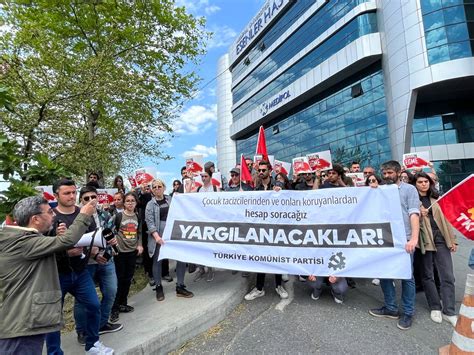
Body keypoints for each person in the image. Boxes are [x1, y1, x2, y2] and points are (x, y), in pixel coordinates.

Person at [0, 196, 102, 354]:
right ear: (35, 219)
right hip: (21, 325)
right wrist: (84, 214)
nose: (54, 215)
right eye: (49, 212)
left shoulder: (25, 239)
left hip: (25, 322)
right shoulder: (24, 242)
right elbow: (67, 240)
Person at [45, 179, 111, 354]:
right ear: (56, 195)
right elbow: (42, 247)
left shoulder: (84, 213)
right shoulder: (50, 217)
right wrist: (65, 250)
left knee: (94, 305)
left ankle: (93, 344)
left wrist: (95, 252)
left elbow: (93, 237)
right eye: (67, 193)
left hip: (80, 271)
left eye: (74, 192)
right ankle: (54, 352)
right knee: (53, 316)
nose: (72, 196)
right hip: (57, 274)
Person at [369, 160, 420, 330]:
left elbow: (414, 214)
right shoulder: (380, 190)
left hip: (404, 239)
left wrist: (413, 239)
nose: (386, 176)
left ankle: (408, 312)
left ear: (399, 172)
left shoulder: (409, 189)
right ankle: (391, 308)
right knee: (384, 274)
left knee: (407, 277)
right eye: (384, 173)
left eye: (390, 173)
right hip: (384, 238)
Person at [74, 186, 123, 346]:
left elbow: (111, 236)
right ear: (81, 200)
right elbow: (74, 240)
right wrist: (94, 254)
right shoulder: (76, 217)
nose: (90, 201)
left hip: (106, 261)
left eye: (93, 197)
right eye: (86, 198)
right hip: (86, 263)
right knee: (82, 299)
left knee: (111, 291)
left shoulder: (105, 214)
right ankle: (82, 330)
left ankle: (101, 324)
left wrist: (106, 255)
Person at [414, 172, 457, 326]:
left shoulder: (437, 198)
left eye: (426, 181)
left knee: (448, 276)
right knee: (427, 275)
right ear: (415, 184)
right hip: (423, 241)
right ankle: (435, 307)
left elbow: (446, 220)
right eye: (420, 181)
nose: (423, 184)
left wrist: (452, 240)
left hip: (440, 238)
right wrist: (418, 213)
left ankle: (449, 311)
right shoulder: (412, 200)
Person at [244, 160, 289, 301]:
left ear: (270, 171)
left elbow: (288, 202)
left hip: (276, 228)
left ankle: (278, 286)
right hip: (261, 229)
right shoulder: (256, 190)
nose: (261, 172)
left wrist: (280, 193)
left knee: (276, 256)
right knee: (261, 258)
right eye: (259, 170)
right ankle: (259, 288)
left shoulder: (278, 185)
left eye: (264, 170)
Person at [145, 179, 194, 301]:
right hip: (159, 235)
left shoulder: (171, 199)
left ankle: (180, 286)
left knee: (181, 258)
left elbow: (183, 203)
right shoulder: (150, 205)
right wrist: (157, 237)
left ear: (164, 187)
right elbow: (150, 223)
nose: (157, 189)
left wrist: (189, 183)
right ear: (152, 189)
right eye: (154, 187)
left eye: (159, 186)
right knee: (157, 260)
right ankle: (158, 286)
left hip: (174, 233)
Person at [110, 192, 144, 323]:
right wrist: (113, 248)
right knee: (118, 280)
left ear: (136, 203)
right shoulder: (118, 216)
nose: (130, 203)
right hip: (120, 253)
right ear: (124, 203)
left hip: (132, 252)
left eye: (132, 201)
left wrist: (139, 245)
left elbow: (139, 232)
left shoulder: (137, 217)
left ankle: (122, 303)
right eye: (128, 201)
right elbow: (110, 232)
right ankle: (114, 308)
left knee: (128, 279)